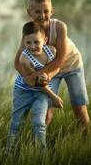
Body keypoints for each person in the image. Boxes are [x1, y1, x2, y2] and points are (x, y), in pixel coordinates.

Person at [15, 0, 90, 128]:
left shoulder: (60, 27)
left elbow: (60, 59)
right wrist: (28, 77)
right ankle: (40, 140)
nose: (42, 15)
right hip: (49, 69)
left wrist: (38, 75)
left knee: (79, 106)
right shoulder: (30, 31)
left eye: (46, 11)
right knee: (47, 107)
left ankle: (86, 136)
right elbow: (18, 62)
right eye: (37, 11)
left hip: (71, 66)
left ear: (52, 11)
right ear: (29, 12)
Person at [7, 21, 63, 151]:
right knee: (17, 123)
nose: (32, 46)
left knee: (39, 122)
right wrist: (53, 97)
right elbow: (34, 83)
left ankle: (40, 154)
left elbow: (57, 68)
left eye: (36, 42)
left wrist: (49, 75)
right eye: (28, 43)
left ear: (45, 40)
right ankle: (9, 153)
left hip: (42, 93)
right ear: (23, 42)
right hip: (24, 91)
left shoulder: (51, 51)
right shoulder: (24, 59)